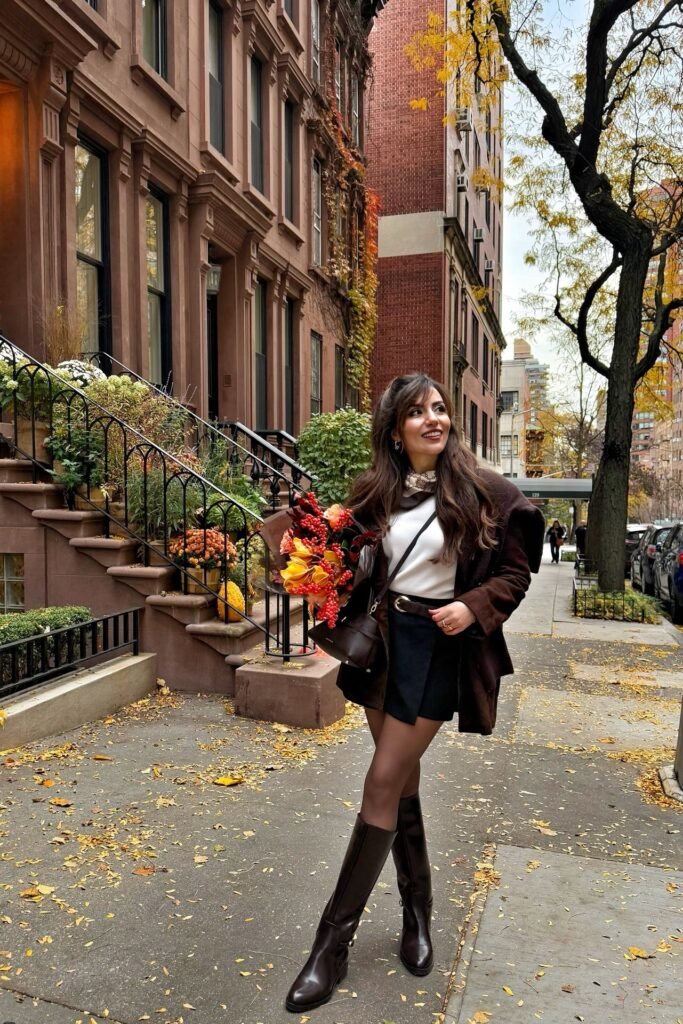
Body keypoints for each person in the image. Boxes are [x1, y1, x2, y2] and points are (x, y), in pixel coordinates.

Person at [269, 374, 544, 1014]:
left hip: (437, 649)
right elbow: (351, 554)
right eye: (418, 412)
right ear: (397, 429)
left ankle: (329, 948)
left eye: (441, 409)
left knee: (380, 782)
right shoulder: (379, 493)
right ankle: (418, 913)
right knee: (403, 785)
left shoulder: (484, 492)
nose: (434, 419)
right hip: (384, 646)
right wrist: (313, 558)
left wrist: (472, 607)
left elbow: (515, 571)